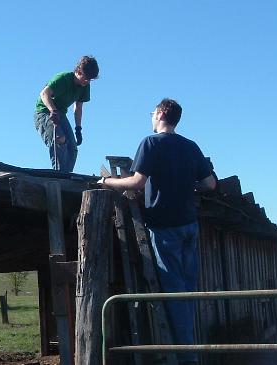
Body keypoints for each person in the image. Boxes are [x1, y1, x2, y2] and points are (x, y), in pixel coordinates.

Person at [99, 98, 216, 365]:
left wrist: (107, 181)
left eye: (153, 113)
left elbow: (137, 182)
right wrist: (186, 185)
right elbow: (210, 183)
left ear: (161, 114)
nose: (151, 117)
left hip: (166, 228)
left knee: (173, 294)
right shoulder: (190, 146)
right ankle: (191, 352)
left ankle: (187, 359)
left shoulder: (150, 143)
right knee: (188, 290)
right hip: (190, 225)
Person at [34, 56, 99, 172]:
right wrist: (52, 110)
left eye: (90, 80)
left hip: (60, 114)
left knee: (72, 147)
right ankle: (59, 174)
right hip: (44, 112)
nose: (87, 82)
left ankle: (66, 175)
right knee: (60, 138)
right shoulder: (63, 78)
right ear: (78, 71)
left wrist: (78, 128)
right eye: (86, 78)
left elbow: (78, 108)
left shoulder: (85, 86)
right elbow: (44, 94)